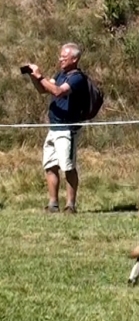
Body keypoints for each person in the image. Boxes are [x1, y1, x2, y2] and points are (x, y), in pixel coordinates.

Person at [26, 43, 87, 214]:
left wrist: (40, 76)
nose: (60, 59)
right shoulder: (60, 74)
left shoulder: (77, 78)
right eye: (60, 56)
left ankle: (70, 205)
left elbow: (58, 92)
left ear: (74, 59)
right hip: (53, 128)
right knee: (50, 165)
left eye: (64, 57)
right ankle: (53, 204)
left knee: (67, 166)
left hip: (67, 129)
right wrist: (34, 77)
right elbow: (43, 89)